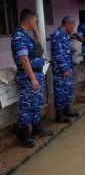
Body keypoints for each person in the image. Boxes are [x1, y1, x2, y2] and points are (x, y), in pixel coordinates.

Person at [11, 9, 54, 148]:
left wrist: (35, 30)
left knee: (36, 103)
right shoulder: (19, 37)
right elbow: (23, 59)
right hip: (28, 76)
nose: (36, 24)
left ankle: (37, 128)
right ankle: (23, 135)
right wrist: (32, 78)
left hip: (36, 74)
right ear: (29, 21)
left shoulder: (27, 35)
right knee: (27, 105)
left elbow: (39, 47)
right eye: (35, 22)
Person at [50, 16, 79, 123]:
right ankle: (59, 115)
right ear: (67, 24)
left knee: (68, 90)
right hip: (61, 71)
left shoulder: (64, 36)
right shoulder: (57, 36)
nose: (73, 28)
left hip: (67, 68)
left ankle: (67, 110)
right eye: (73, 25)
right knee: (60, 92)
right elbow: (58, 55)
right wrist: (64, 69)